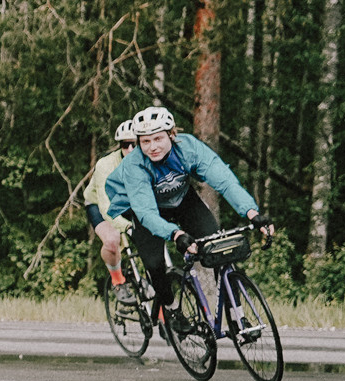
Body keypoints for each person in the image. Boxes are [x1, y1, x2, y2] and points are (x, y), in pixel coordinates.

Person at [104, 104, 270, 329]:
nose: (152, 147)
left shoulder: (189, 147)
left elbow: (224, 180)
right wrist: (175, 234)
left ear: (171, 135)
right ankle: (172, 309)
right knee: (154, 263)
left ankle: (236, 316)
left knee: (218, 248)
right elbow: (146, 212)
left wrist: (252, 213)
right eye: (145, 141)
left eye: (158, 139)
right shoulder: (134, 165)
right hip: (145, 208)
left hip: (182, 200)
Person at [84, 120, 140, 294]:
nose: (130, 149)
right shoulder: (105, 165)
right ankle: (118, 280)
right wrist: (126, 227)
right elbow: (105, 204)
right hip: (100, 204)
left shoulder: (150, 161)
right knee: (111, 240)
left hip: (130, 203)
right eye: (125, 145)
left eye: (134, 144)